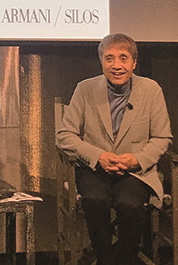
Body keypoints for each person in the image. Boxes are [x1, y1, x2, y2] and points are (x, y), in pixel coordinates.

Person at [56, 33, 172, 265]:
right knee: (95, 199)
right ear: (101, 61)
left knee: (130, 204)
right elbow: (64, 135)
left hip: (135, 171)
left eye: (123, 58)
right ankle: (105, 259)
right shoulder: (85, 89)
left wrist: (137, 160)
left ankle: (125, 259)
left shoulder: (151, 90)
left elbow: (162, 137)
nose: (116, 65)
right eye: (109, 58)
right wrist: (98, 156)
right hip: (94, 169)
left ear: (134, 63)